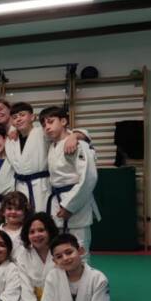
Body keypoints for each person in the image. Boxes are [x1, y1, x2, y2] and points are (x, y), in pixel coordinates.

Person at [5, 102, 86, 212]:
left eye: (22, 115)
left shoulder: (43, 132)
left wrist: (75, 136)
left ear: (32, 117)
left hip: (42, 186)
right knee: (23, 217)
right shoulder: (10, 140)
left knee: (43, 217)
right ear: (12, 122)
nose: (18, 119)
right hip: (20, 186)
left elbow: (66, 133)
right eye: (14, 117)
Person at [41, 106, 99, 252]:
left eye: (50, 121)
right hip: (56, 201)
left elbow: (89, 178)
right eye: (44, 124)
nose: (47, 127)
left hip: (76, 202)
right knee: (59, 251)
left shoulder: (79, 145)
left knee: (79, 252)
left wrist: (69, 206)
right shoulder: (52, 145)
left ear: (63, 121)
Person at [16, 212, 60, 301]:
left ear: (49, 231)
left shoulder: (59, 251)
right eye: (32, 232)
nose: (37, 235)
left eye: (41, 230)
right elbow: (25, 285)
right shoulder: (23, 255)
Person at [0, 191, 30, 258]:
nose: (13, 212)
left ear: (25, 212)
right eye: (9, 208)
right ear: (3, 212)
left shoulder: (29, 231)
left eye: (18, 209)